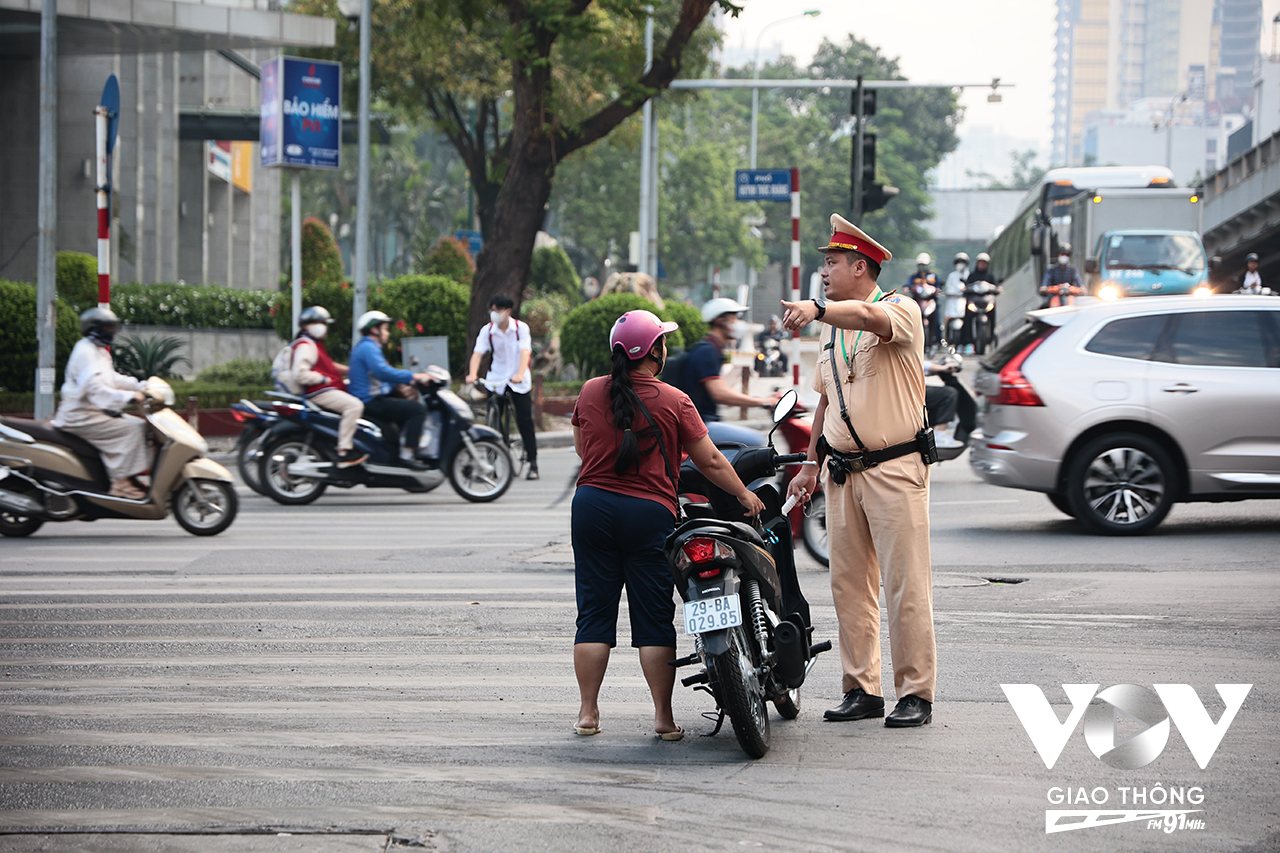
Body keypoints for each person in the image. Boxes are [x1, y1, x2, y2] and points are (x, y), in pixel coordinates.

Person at [569, 309, 765, 740]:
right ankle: (662, 718)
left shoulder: (589, 391)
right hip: (648, 514)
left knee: (594, 613)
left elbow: (583, 448)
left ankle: (588, 713)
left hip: (591, 509)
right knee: (654, 618)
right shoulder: (675, 399)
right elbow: (711, 459)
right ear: (655, 351)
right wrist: (744, 495)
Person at [778, 213, 937, 729]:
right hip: (842, 473)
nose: (823, 272)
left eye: (831, 264)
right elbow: (825, 401)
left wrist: (819, 309)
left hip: (895, 468)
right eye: (824, 265)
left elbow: (868, 320)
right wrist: (809, 464)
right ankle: (861, 688)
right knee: (849, 586)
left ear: (860, 267)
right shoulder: (830, 335)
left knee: (904, 584)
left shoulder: (900, 309)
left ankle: (915, 692)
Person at [51, 308, 151, 499]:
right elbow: (96, 390)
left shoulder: (98, 351)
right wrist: (129, 398)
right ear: (93, 328)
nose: (111, 332)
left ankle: (127, 477)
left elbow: (111, 378)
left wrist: (139, 385)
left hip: (91, 411)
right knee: (131, 428)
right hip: (79, 415)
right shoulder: (85, 352)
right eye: (107, 327)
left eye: (113, 327)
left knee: (138, 425)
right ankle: (120, 483)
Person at [348, 310, 436, 468]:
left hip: (371, 398)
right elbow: (382, 372)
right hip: (370, 401)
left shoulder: (367, 347)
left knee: (404, 409)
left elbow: (381, 376)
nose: (387, 333)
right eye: (385, 329)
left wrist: (408, 380)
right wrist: (413, 377)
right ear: (375, 330)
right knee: (417, 410)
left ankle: (401, 452)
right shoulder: (368, 347)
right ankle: (407, 456)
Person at [466, 295, 539, 480]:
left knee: (525, 420)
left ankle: (533, 463)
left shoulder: (520, 329)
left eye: (498, 310)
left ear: (508, 311)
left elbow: (525, 352)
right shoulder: (488, 330)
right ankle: (490, 465)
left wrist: (520, 374)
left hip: (517, 379)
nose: (494, 314)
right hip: (496, 379)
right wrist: (472, 374)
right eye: (493, 310)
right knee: (493, 424)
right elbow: (477, 353)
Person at [290, 306, 367, 468]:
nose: (324, 327)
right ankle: (344, 451)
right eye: (320, 323)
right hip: (318, 390)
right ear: (306, 325)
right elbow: (300, 373)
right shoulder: (305, 345)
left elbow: (328, 365)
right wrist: (322, 379)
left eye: (324, 323)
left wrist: (349, 370)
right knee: (354, 406)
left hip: (324, 388)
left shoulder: (314, 344)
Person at [681, 297, 777, 425]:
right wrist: (763, 402)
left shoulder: (713, 348)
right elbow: (720, 394)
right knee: (754, 441)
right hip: (700, 425)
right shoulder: (706, 351)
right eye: (734, 318)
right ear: (720, 321)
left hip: (703, 422)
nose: (738, 323)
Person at [905, 253, 941, 350]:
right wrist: (906, 288)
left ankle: (938, 341)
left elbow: (939, 286)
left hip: (931, 300)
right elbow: (907, 284)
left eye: (924, 265)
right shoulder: (914, 276)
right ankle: (909, 338)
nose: (922, 267)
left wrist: (938, 289)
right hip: (918, 300)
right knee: (910, 317)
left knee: (937, 319)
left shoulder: (933, 276)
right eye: (921, 265)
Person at [1039, 243, 1084, 308]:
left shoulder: (1073, 270)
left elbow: (1079, 282)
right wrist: (1043, 288)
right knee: (1042, 309)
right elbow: (1045, 282)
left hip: (1070, 297)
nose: (1064, 256)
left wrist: (1082, 288)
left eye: (1066, 254)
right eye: (1062, 254)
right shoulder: (1051, 269)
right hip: (1054, 297)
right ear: (1058, 255)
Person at [942, 252, 970, 348]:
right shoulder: (952, 276)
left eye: (963, 262)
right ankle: (945, 338)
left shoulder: (968, 275)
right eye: (959, 262)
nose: (961, 264)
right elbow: (948, 288)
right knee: (946, 319)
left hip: (964, 300)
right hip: (952, 301)